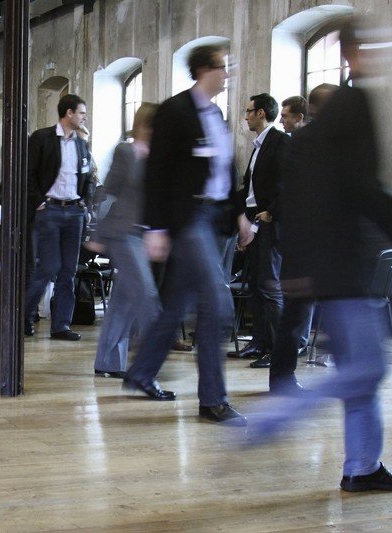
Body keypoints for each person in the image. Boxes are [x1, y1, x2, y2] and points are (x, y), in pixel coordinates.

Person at [246, 19, 392, 492]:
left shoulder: (308, 136)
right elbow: (364, 187)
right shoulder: (356, 106)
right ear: (358, 52)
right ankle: (276, 416)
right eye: (378, 45)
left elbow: (301, 202)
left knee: (361, 374)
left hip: (325, 268)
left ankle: (362, 466)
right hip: (344, 270)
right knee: (366, 370)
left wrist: (298, 268)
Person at [123, 44, 253, 425]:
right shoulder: (175, 111)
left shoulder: (216, 115)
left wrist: (240, 214)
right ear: (203, 70)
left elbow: (225, 171)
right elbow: (157, 173)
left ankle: (141, 371)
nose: (227, 74)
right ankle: (212, 400)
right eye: (222, 68)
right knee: (217, 303)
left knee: (176, 303)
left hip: (215, 219)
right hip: (188, 218)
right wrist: (156, 227)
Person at [251, 87, 338, 377]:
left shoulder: (326, 141)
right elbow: (289, 189)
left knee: (302, 306)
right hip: (303, 237)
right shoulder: (300, 142)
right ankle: (283, 371)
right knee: (295, 306)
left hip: (318, 236)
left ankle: (288, 368)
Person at [93, 103, 162, 378]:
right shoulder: (126, 151)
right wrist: (97, 234)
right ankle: (154, 355)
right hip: (122, 232)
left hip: (145, 235)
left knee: (123, 301)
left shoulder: (158, 158)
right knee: (146, 293)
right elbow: (109, 193)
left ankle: (108, 362)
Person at [24, 94, 95, 340]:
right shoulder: (42, 138)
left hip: (74, 212)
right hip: (50, 211)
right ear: (69, 113)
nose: (85, 117)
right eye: (82, 113)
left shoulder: (81, 144)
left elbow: (88, 177)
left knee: (68, 271)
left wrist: (85, 203)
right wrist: (39, 202)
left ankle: (61, 326)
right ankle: (23, 315)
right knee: (48, 267)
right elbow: (29, 173)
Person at [227, 93, 287, 362]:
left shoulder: (279, 141)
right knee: (254, 285)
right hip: (254, 221)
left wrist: (272, 211)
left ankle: (277, 350)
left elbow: (289, 183)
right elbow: (251, 188)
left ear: (262, 113)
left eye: (249, 111)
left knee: (269, 287)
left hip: (269, 223)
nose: (246, 116)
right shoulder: (258, 145)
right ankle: (259, 342)